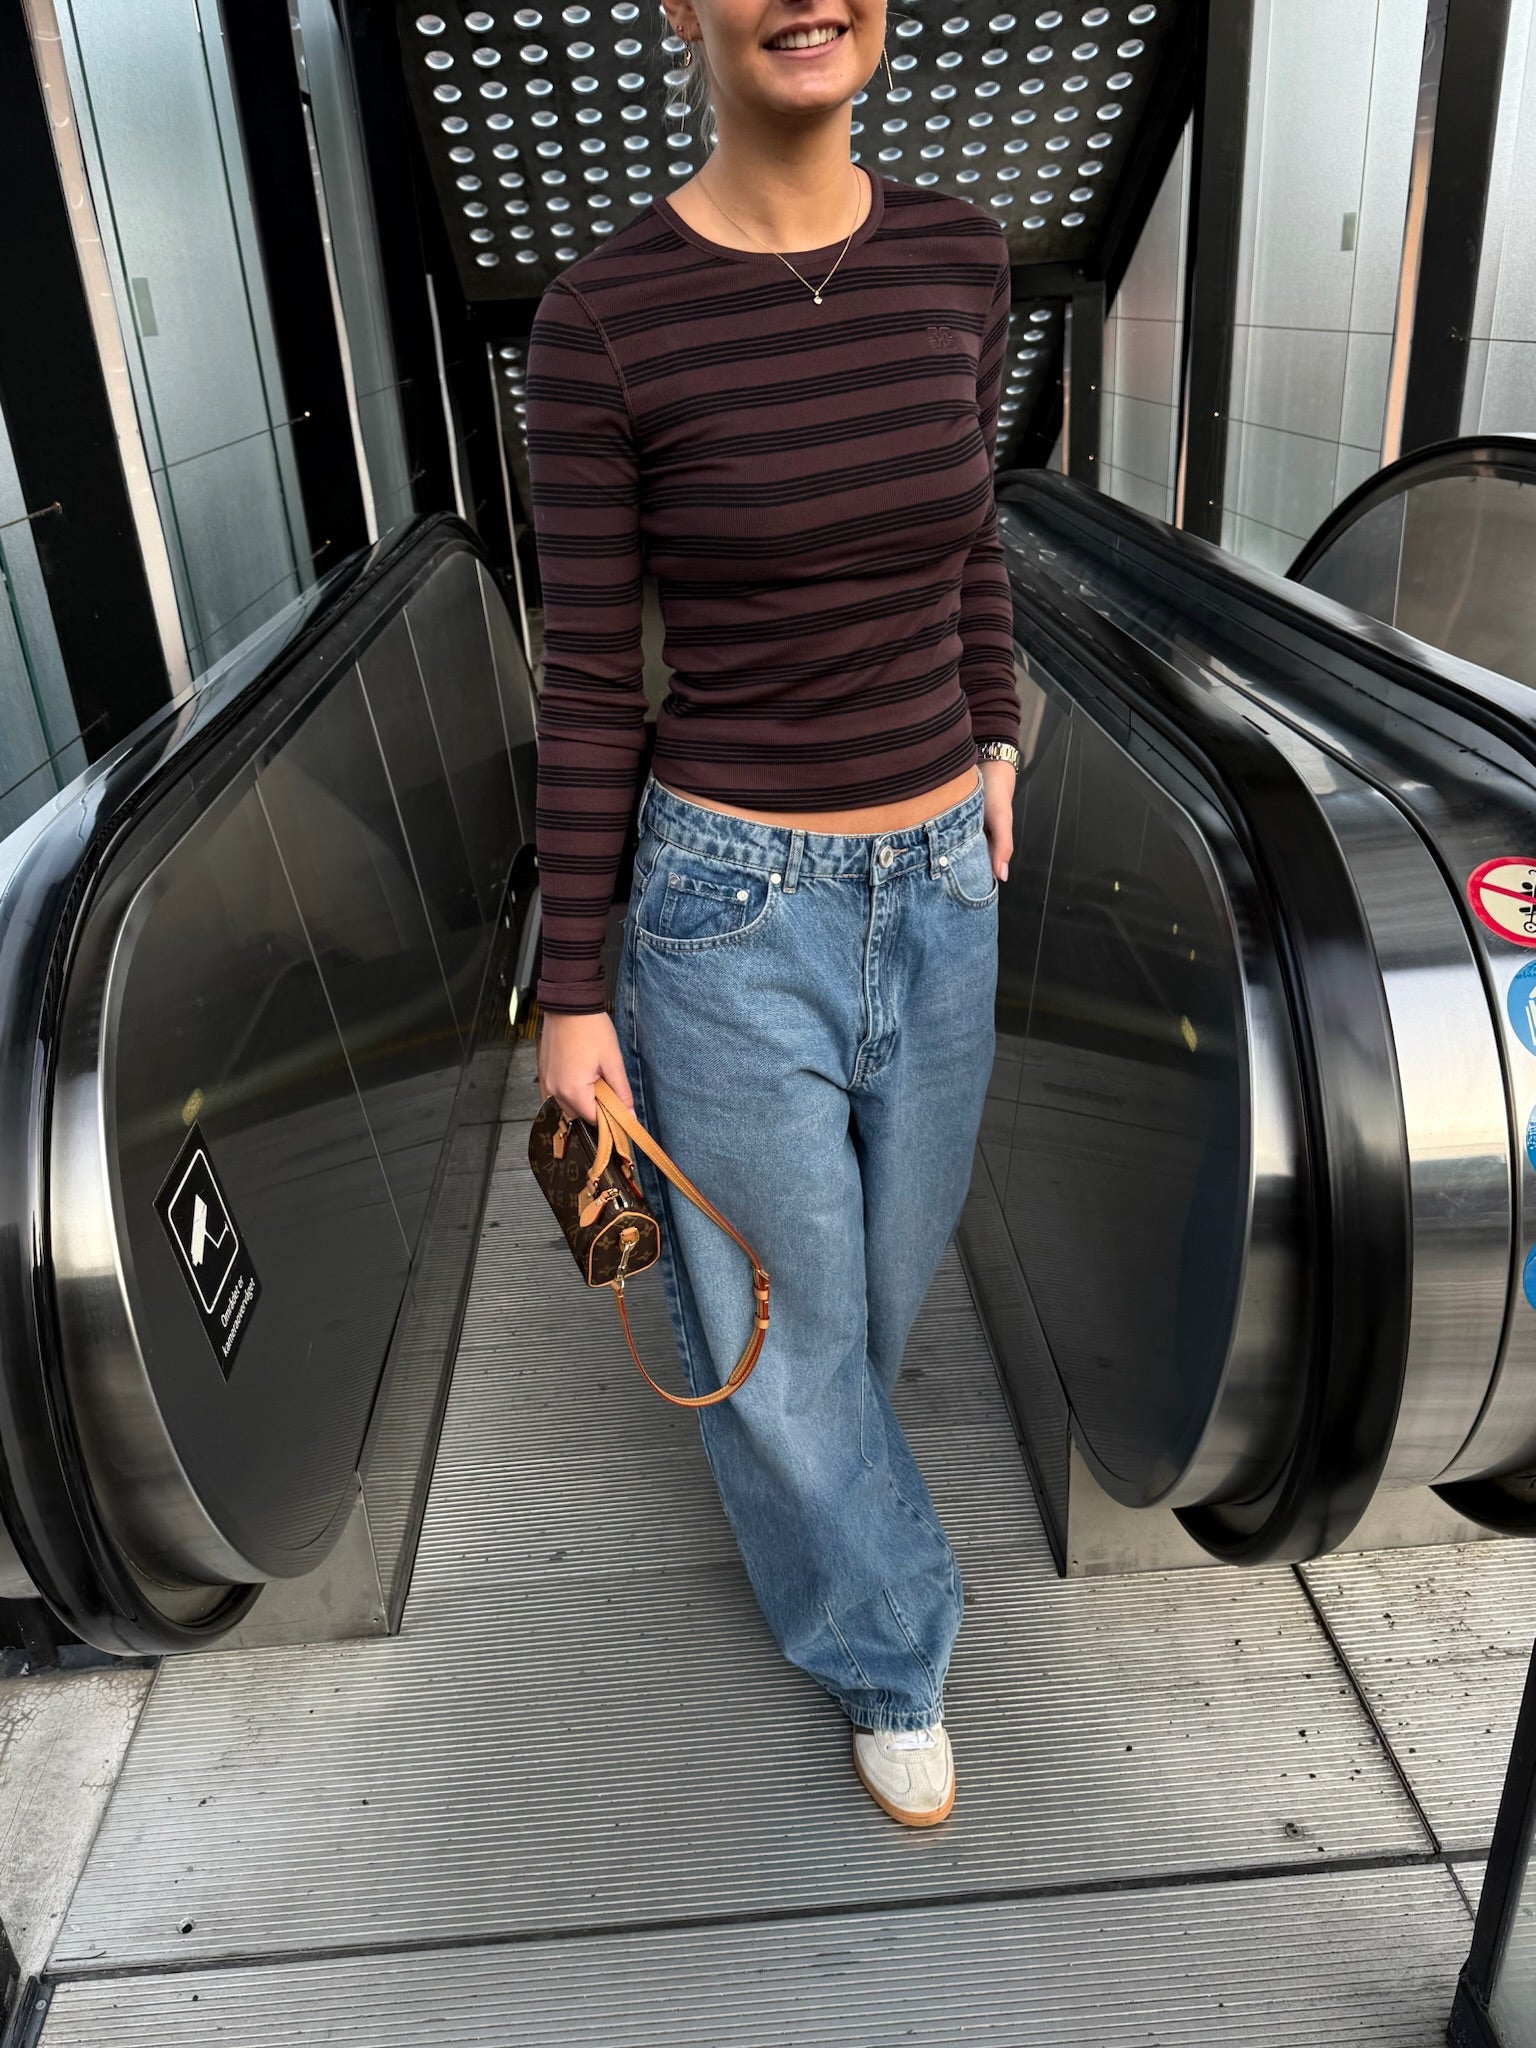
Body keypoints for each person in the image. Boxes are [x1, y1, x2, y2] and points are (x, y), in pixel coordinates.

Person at [524, 0, 1020, 1827]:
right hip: (729, 912)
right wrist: (572, 994)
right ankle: (891, 1646)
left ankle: (838, 1524)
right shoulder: (603, 323)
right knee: (783, 1329)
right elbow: (593, 679)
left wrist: (995, 731)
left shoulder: (961, 261)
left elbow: (972, 538)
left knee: (871, 1299)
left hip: (943, 886)